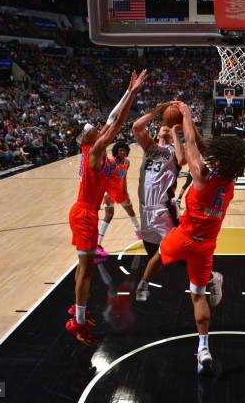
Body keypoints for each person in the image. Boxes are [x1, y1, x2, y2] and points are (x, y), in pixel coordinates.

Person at [136, 101, 245, 375]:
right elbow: (201, 147)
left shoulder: (200, 175)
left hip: (184, 236)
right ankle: (203, 349)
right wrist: (188, 133)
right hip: (206, 247)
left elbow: (191, 144)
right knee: (198, 297)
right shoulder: (229, 183)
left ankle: (143, 284)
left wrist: (187, 116)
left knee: (157, 258)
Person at [65, 69, 147, 346]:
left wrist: (128, 91)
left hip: (83, 211)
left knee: (83, 268)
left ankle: (78, 310)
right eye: (95, 130)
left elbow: (112, 120)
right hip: (86, 213)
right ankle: (77, 322)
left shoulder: (92, 150)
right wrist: (133, 94)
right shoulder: (96, 151)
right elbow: (118, 122)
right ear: (91, 138)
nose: (101, 128)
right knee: (86, 272)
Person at [131, 103, 186, 258]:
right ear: (157, 132)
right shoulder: (149, 147)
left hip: (163, 209)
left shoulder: (174, 150)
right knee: (153, 254)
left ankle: (208, 279)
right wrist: (157, 110)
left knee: (179, 251)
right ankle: (147, 281)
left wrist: (175, 133)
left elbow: (182, 160)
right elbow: (136, 127)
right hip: (144, 209)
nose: (165, 127)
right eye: (163, 126)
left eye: (168, 127)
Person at [96, 141, 140, 253]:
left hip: (120, 192)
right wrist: (103, 194)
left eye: (124, 150)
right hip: (109, 192)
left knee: (130, 210)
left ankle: (139, 231)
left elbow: (124, 178)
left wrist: (126, 192)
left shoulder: (127, 162)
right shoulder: (110, 163)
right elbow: (102, 178)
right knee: (109, 215)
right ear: (116, 151)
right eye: (120, 150)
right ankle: (98, 244)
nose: (123, 152)